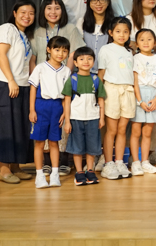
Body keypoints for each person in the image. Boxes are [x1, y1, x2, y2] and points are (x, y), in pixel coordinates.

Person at [0, 0, 37, 183]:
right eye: (23, 12)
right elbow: (0, 54)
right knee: (3, 126)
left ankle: (15, 167)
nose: (27, 16)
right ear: (14, 13)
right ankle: (4, 170)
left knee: (18, 126)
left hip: (22, 85)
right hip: (3, 83)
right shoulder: (6, 29)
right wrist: (11, 80)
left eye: (31, 13)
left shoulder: (25, 36)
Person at [28, 36, 71, 188]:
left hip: (57, 107)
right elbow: (33, 89)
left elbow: (66, 94)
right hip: (41, 106)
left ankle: (55, 174)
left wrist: (65, 112)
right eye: (57, 49)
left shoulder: (66, 71)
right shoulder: (40, 68)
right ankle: (39, 175)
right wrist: (32, 109)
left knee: (54, 142)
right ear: (48, 50)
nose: (60, 54)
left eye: (64, 51)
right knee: (39, 142)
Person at [98, 17, 137, 180]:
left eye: (126, 32)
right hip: (111, 90)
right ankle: (108, 163)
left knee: (122, 129)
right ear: (111, 33)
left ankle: (120, 162)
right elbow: (101, 74)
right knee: (111, 130)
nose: (122, 35)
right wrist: (99, 97)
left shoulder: (130, 52)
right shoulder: (106, 49)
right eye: (118, 31)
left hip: (128, 91)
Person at [62, 46, 106, 186]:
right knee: (77, 147)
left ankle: (90, 170)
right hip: (76, 118)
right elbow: (67, 101)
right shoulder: (72, 79)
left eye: (89, 59)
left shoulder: (96, 79)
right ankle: (79, 172)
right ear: (75, 62)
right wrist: (67, 121)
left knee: (92, 147)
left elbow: (101, 100)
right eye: (81, 59)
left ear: (93, 61)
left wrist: (101, 118)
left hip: (93, 118)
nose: (86, 61)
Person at [130, 28, 156, 176]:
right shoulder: (135, 58)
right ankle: (135, 162)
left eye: (149, 39)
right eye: (142, 39)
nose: (146, 42)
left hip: (153, 96)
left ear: (155, 42)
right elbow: (135, 81)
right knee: (135, 131)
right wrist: (139, 101)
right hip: (138, 95)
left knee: (147, 132)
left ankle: (145, 162)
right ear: (137, 43)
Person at [30, 0, 85, 68]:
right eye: (49, 8)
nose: (53, 12)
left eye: (57, 8)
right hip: (42, 74)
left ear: (62, 11)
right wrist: (36, 75)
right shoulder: (37, 32)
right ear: (43, 10)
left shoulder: (71, 29)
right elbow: (32, 58)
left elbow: (73, 55)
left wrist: (66, 73)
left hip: (64, 73)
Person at [77, 0, 114, 74]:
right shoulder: (82, 22)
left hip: (108, 72)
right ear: (89, 3)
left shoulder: (115, 24)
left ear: (108, 2)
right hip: (85, 72)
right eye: (94, 0)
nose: (98, 3)